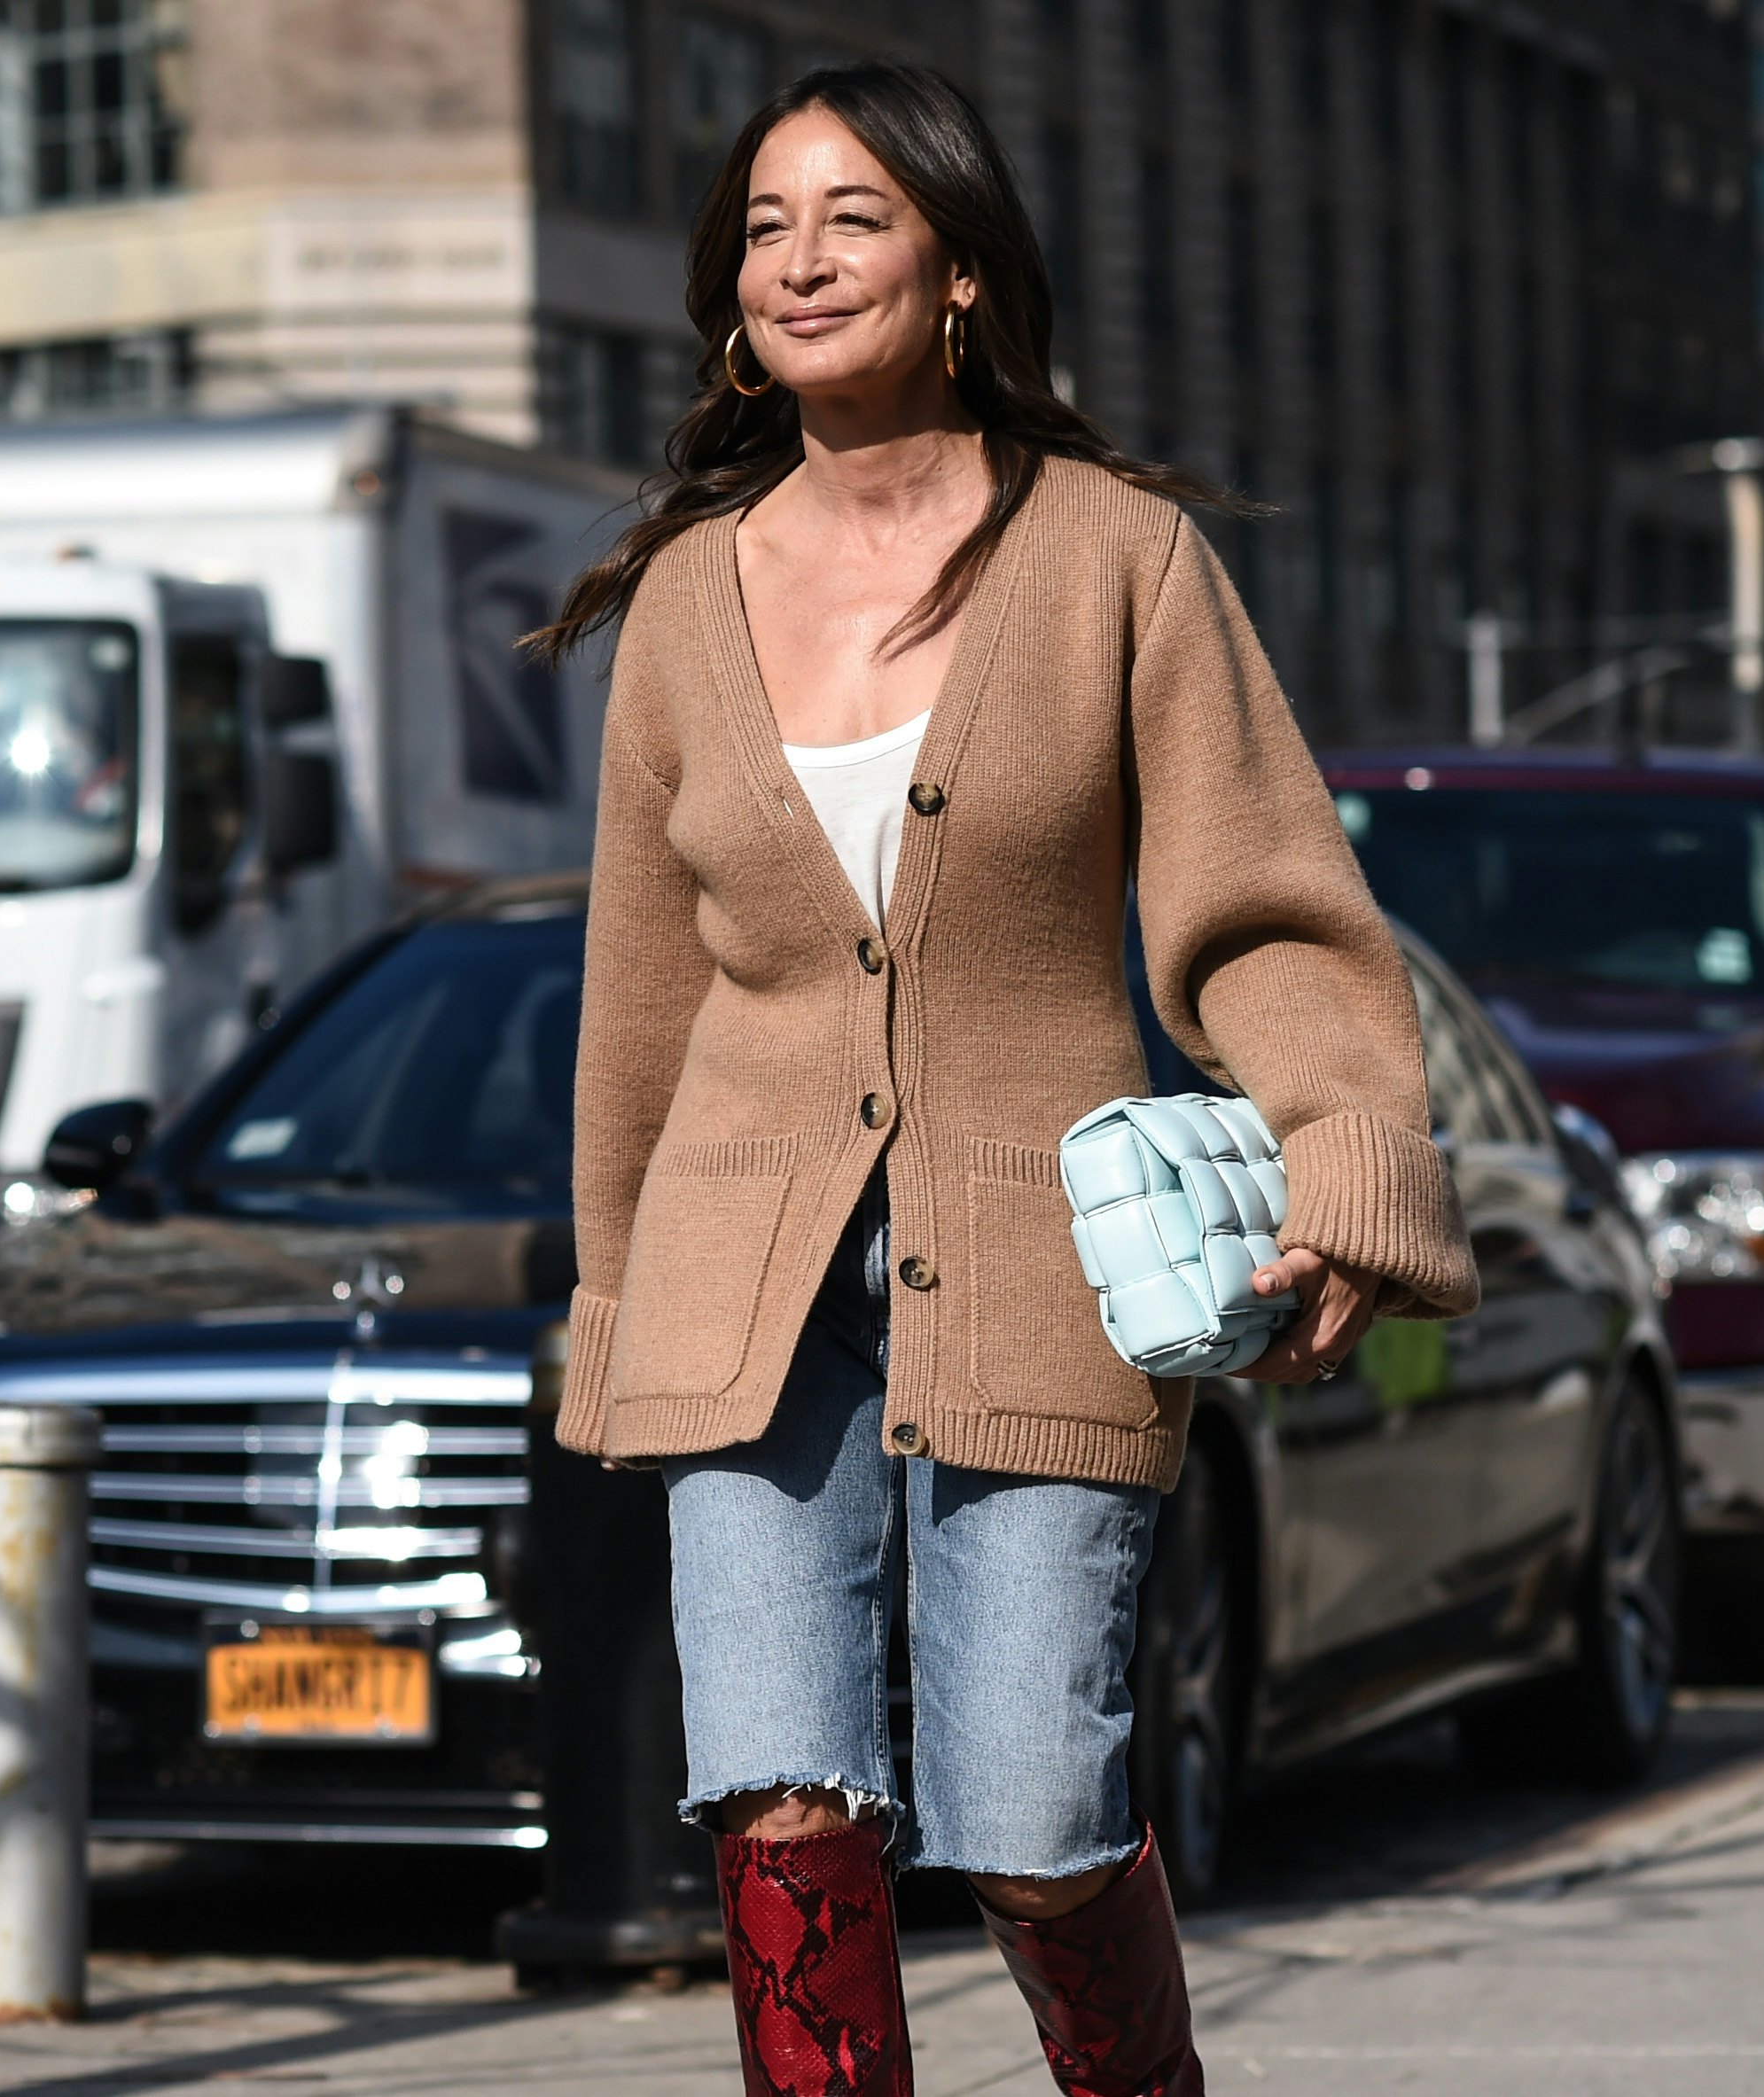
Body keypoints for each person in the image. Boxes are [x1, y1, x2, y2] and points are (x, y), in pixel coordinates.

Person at [533, 59, 1478, 2097]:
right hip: (746, 1286)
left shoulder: (1114, 559)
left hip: (1043, 1259)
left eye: (853, 218)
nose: (801, 259)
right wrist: (615, 1297)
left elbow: (1259, 901)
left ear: (958, 270)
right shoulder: (686, 602)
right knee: (781, 1815)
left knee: (1035, 1822)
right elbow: (640, 996)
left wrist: (1346, 1162)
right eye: (767, 226)